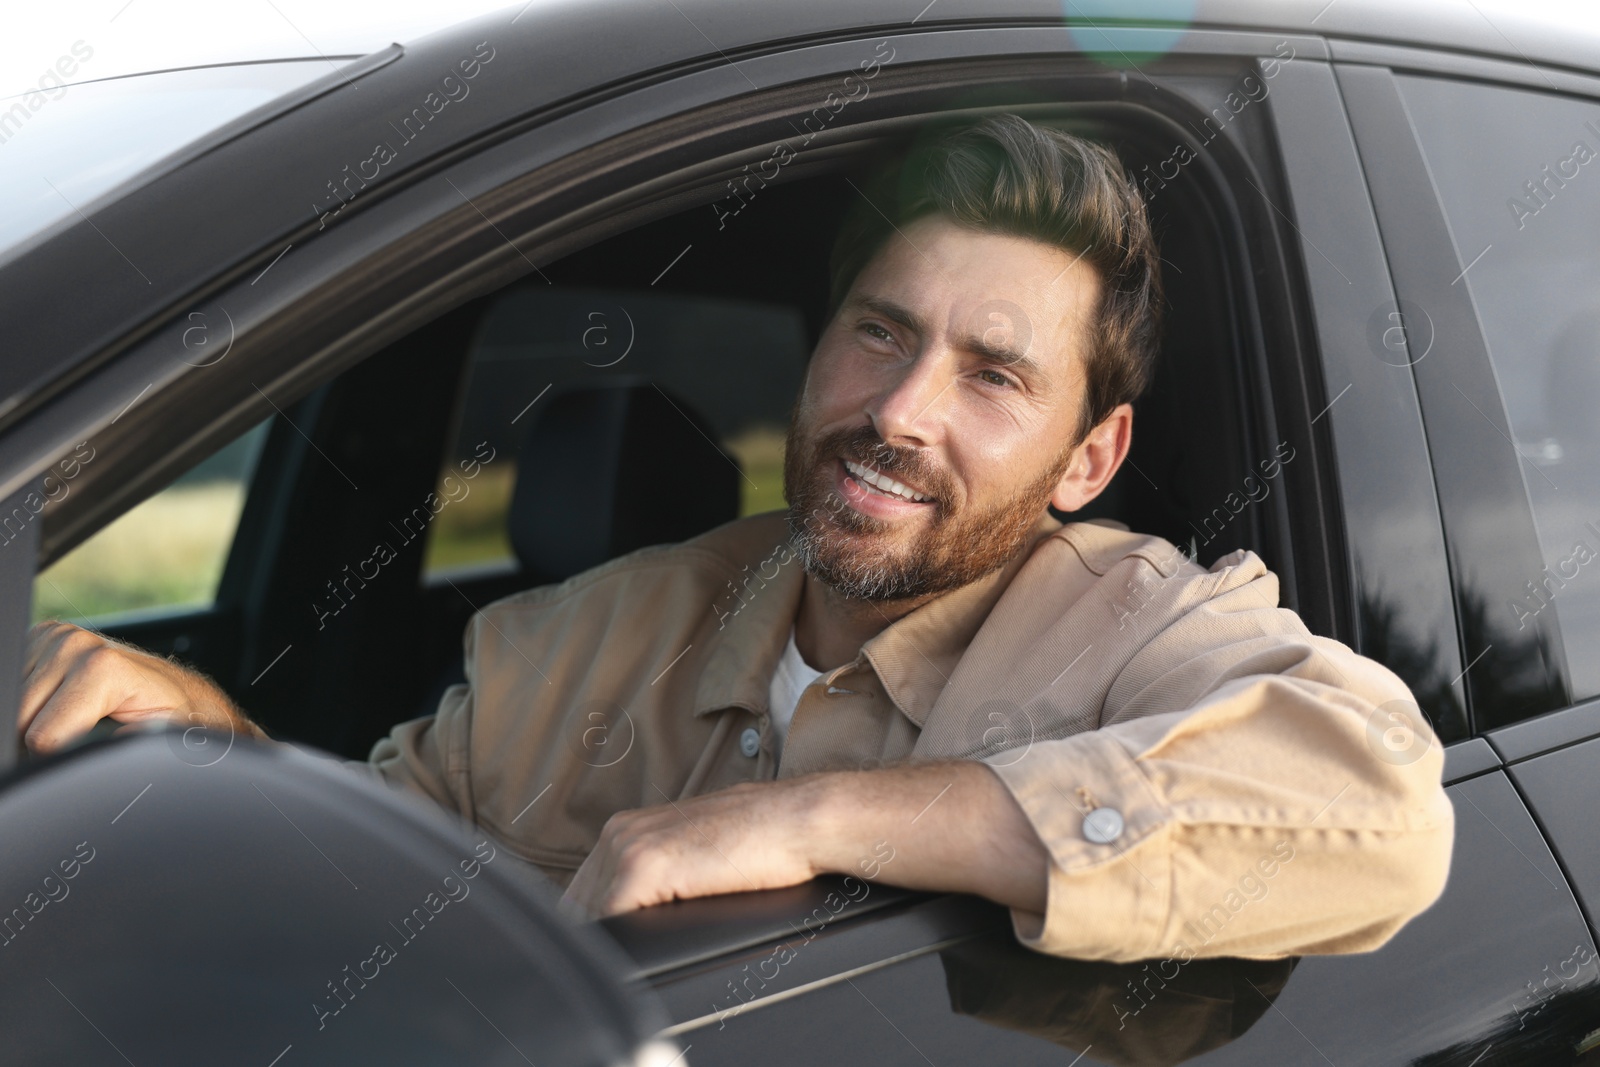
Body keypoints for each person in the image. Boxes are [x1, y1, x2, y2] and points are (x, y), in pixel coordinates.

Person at [17, 114, 1453, 963]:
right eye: (878, 334)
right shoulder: (578, 633)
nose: (898, 411)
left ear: (1091, 459)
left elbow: (1382, 808)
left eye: (992, 376)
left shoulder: (1141, 624)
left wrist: (805, 819)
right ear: (817, 349)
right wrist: (220, 745)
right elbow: (382, 890)